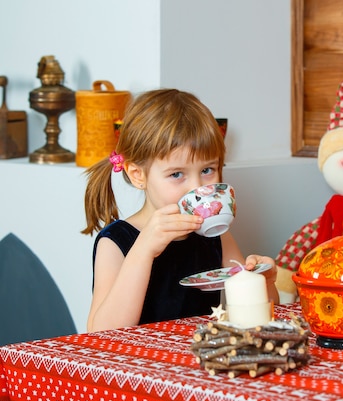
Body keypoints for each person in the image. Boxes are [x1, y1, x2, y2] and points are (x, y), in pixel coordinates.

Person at [82, 89, 278, 332]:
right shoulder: (116, 242)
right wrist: (143, 250)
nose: (197, 187)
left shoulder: (215, 234)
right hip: (138, 365)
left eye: (207, 170)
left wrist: (264, 281)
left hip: (200, 363)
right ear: (138, 175)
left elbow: (260, 314)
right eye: (176, 174)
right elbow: (101, 332)